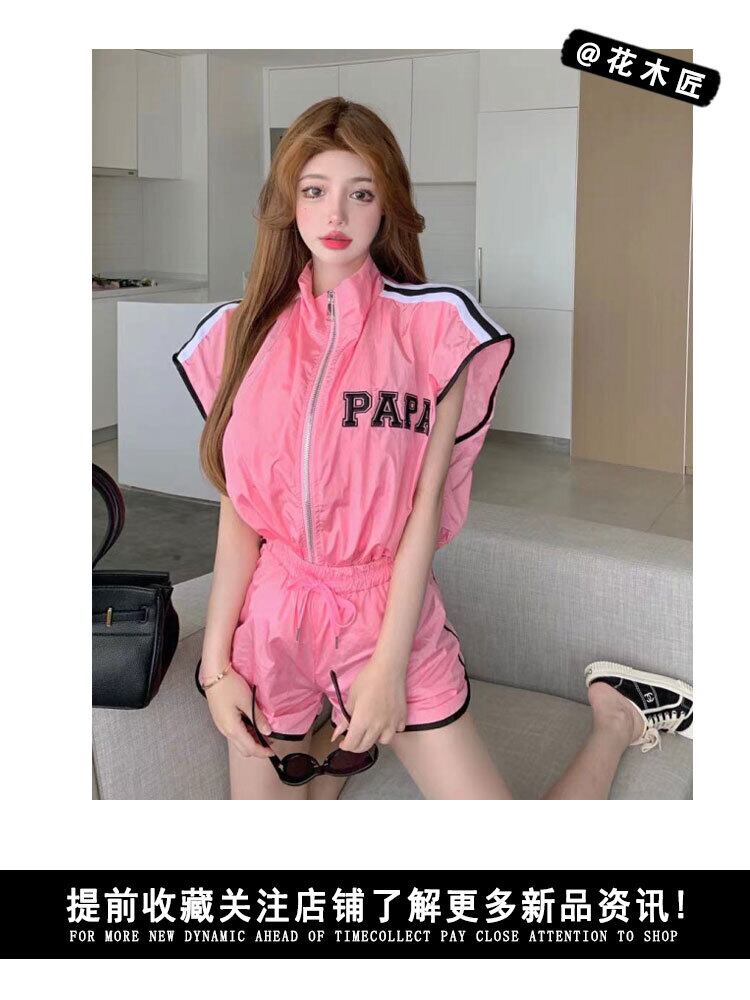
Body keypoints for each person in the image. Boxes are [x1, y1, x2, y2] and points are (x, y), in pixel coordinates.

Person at [172, 97, 693, 800]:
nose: (335, 214)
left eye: (361, 194)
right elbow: (242, 512)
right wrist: (215, 668)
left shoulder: (433, 332)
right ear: (287, 203)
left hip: (386, 614)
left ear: (386, 205)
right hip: (274, 619)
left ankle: (616, 719)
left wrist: (386, 670)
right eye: (314, 191)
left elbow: (422, 513)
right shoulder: (243, 336)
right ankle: (336, 739)